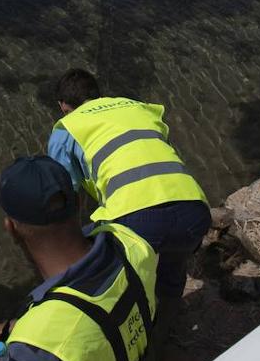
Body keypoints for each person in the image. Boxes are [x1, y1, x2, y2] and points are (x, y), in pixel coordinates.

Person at [0, 155, 159, 361]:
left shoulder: (41, 354)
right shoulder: (133, 246)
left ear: (11, 227)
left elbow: (63, 333)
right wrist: (6, 329)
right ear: (79, 202)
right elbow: (96, 316)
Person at [46, 69, 210, 309]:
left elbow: (63, 195)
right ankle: (169, 315)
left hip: (137, 219)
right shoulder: (138, 107)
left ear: (62, 106)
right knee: (172, 268)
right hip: (194, 210)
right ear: (98, 95)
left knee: (91, 263)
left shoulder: (66, 128)